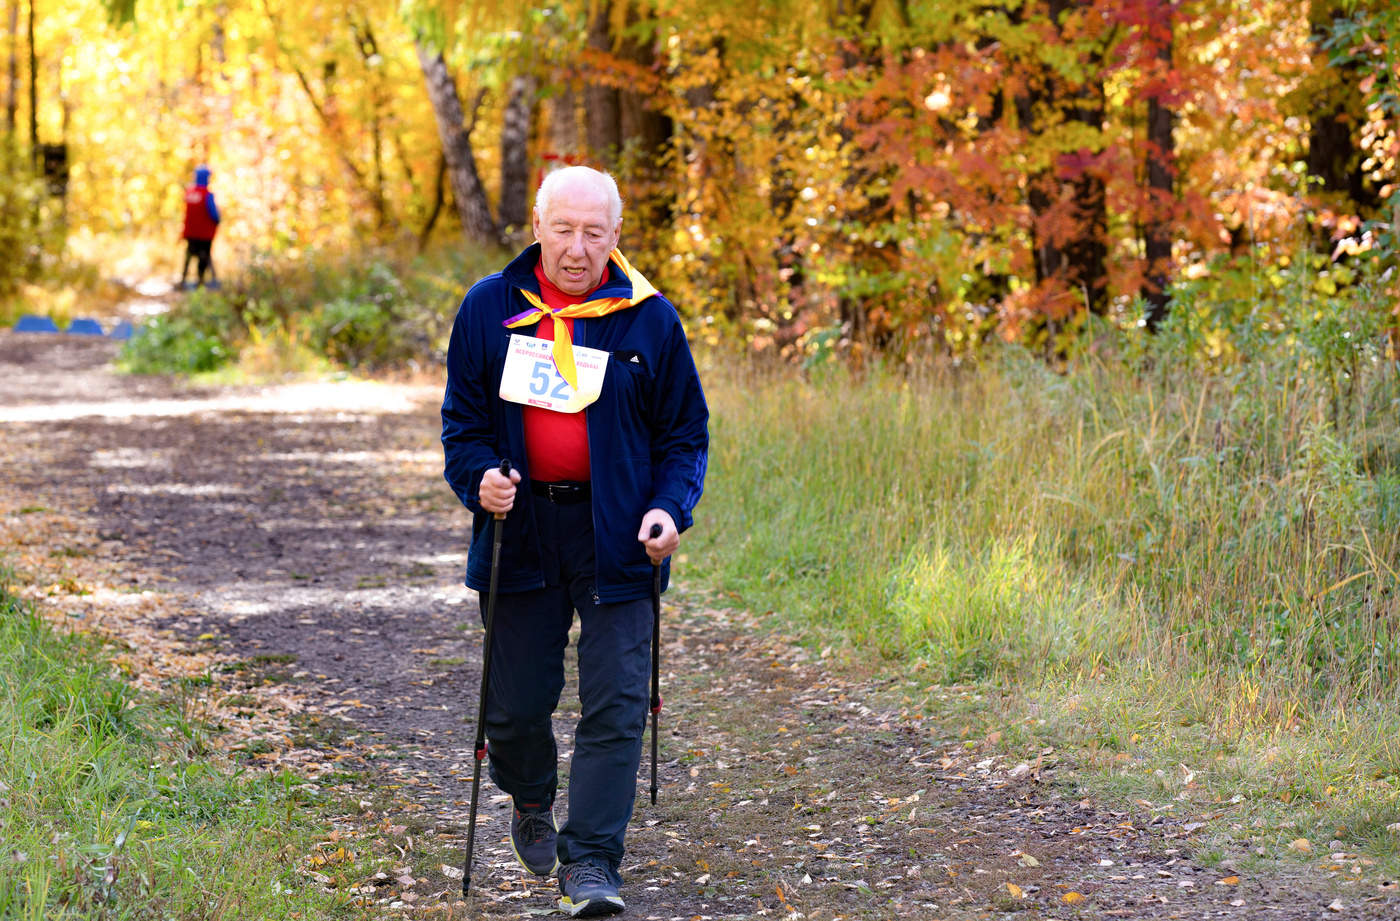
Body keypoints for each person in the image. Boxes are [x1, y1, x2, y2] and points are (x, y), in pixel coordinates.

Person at [441, 165, 708, 917]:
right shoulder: (489, 309)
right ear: (537, 226)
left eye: (595, 232)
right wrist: (479, 480)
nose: (577, 247)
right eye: (564, 228)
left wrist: (667, 510)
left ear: (616, 237)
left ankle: (590, 860)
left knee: (619, 700)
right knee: (515, 708)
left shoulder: (649, 319)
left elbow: (685, 434)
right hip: (520, 529)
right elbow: (460, 426)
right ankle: (530, 791)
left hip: (618, 532)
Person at [179, 164, 221, 289]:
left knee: (189, 255)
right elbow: (214, 215)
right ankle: (200, 282)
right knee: (203, 257)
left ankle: (183, 279)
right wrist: (217, 221)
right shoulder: (207, 195)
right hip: (204, 235)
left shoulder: (189, 193)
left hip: (190, 233)